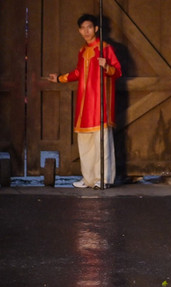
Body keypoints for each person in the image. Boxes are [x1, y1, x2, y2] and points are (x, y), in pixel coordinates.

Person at [48, 14, 122, 189]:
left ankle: (102, 179)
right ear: (79, 30)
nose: (86, 31)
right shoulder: (82, 51)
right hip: (84, 103)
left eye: (89, 27)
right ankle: (88, 179)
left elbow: (117, 72)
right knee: (85, 142)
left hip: (100, 102)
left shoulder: (105, 49)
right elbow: (78, 73)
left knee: (101, 143)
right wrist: (59, 78)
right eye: (82, 28)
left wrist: (107, 66)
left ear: (96, 29)